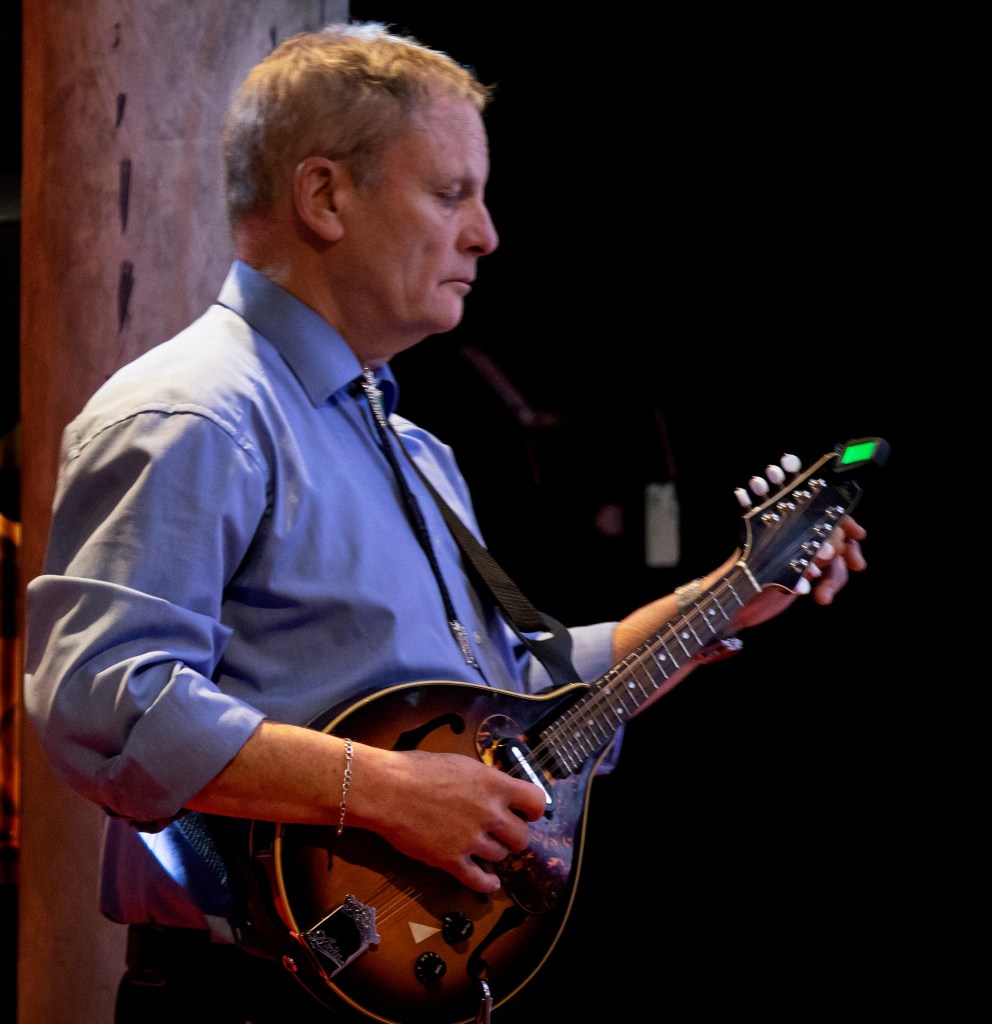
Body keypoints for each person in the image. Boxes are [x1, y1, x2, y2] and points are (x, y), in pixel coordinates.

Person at [24, 21, 870, 1024]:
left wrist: (726, 594)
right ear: (324, 196)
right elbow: (104, 701)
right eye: (450, 192)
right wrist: (385, 790)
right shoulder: (194, 414)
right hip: (247, 998)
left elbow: (520, 699)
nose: (485, 234)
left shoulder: (417, 452)